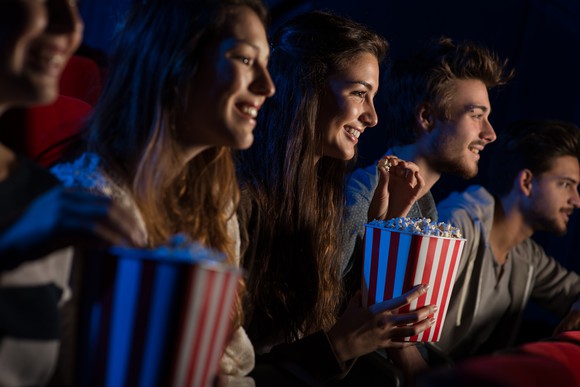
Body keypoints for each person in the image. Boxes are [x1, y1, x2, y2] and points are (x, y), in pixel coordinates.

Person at [49, 0, 274, 385]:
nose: (267, 87)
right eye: (245, 59)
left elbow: (236, 362)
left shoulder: (217, 203)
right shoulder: (86, 202)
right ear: (175, 62)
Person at [236, 11, 435, 385]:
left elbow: (327, 318)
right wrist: (338, 347)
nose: (372, 117)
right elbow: (231, 369)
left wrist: (384, 226)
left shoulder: (321, 193)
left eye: (372, 97)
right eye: (360, 93)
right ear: (306, 88)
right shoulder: (243, 197)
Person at [0, 1, 143, 385]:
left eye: (76, 5)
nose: (72, 25)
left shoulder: (44, 193)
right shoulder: (49, 208)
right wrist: (11, 248)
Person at [342, 36, 513, 280]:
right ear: (427, 117)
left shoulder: (426, 210)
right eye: (476, 115)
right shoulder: (359, 196)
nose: (490, 134)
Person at [435, 120, 580, 360]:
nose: (576, 201)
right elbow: (396, 317)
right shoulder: (456, 226)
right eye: (566, 185)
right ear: (526, 182)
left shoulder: (527, 254)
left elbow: (574, 291)